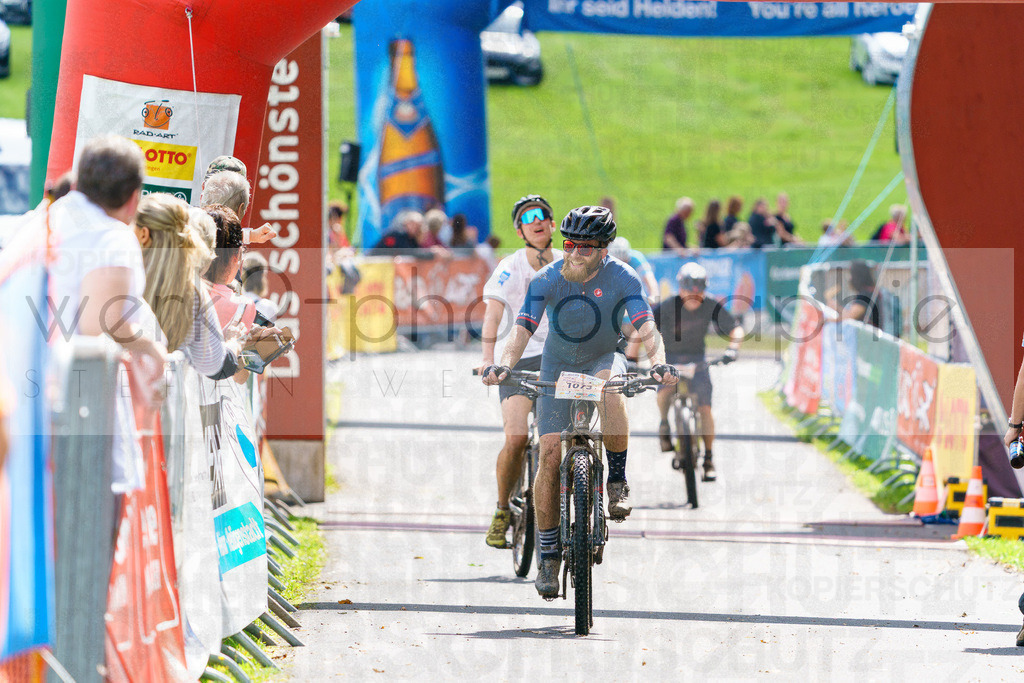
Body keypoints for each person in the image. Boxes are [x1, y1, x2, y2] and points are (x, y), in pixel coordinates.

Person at [481, 205, 678, 598]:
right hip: (557, 364)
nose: (573, 253)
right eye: (569, 244)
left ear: (603, 250)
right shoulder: (547, 277)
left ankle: (617, 481)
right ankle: (550, 555)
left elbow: (646, 326)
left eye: (585, 248)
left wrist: (658, 362)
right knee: (549, 453)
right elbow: (522, 329)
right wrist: (502, 364)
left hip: (603, 357)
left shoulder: (623, 278)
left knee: (611, 389)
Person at [478, 194, 562, 549]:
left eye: (544, 215)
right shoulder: (511, 266)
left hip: (560, 359)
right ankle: (501, 509)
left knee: (555, 443)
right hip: (519, 358)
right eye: (529, 217)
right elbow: (493, 314)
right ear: (520, 230)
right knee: (515, 438)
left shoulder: (567, 263)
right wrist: (487, 357)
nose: (538, 220)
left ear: (554, 224)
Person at [132, 193, 243, 380]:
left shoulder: (121, 277)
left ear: (143, 233)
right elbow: (211, 364)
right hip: (163, 398)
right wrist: (234, 344)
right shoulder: (193, 291)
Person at [653, 262, 743, 481]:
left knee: (705, 409)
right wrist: (631, 356)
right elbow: (643, 327)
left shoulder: (711, 305)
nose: (693, 297)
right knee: (664, 392)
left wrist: (732, 349)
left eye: (699, 292)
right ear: (680, 289)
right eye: (688, 291)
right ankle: (664, 422)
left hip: (698, 361)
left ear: (704, 290)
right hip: (671, 360)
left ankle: (709, 459)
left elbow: (735, 328)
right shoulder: (666, 306)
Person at [842, 259, 882, 328]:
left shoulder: (865, 295)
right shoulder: (873, 291)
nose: (849, 279)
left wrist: (830, 318)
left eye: (851, 275)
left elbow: (850, 317)